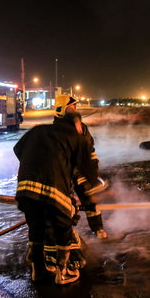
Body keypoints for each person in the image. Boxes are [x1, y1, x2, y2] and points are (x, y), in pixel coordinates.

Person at [14, 101, 105, 285]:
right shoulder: (77, 139)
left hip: (25, 190)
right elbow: (87, 182)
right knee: (63, 226)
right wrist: (97, 224)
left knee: (36, 229)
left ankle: (38, 271)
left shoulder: (39, 130)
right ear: (77, 125)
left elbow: (18, 149)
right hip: (53, 193)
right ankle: (63, 273)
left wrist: (35, 166)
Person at [54, 94, 108, 239]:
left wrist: (93, 170)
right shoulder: (55, 130)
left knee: (90, 200)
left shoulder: (81, 128)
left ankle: (98, 229)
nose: (75, 109)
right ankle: (66, 237)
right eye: (72, 106)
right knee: (63, 205)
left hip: (80, 172)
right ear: (63, 109)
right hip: (64, 174)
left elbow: (89, 149)